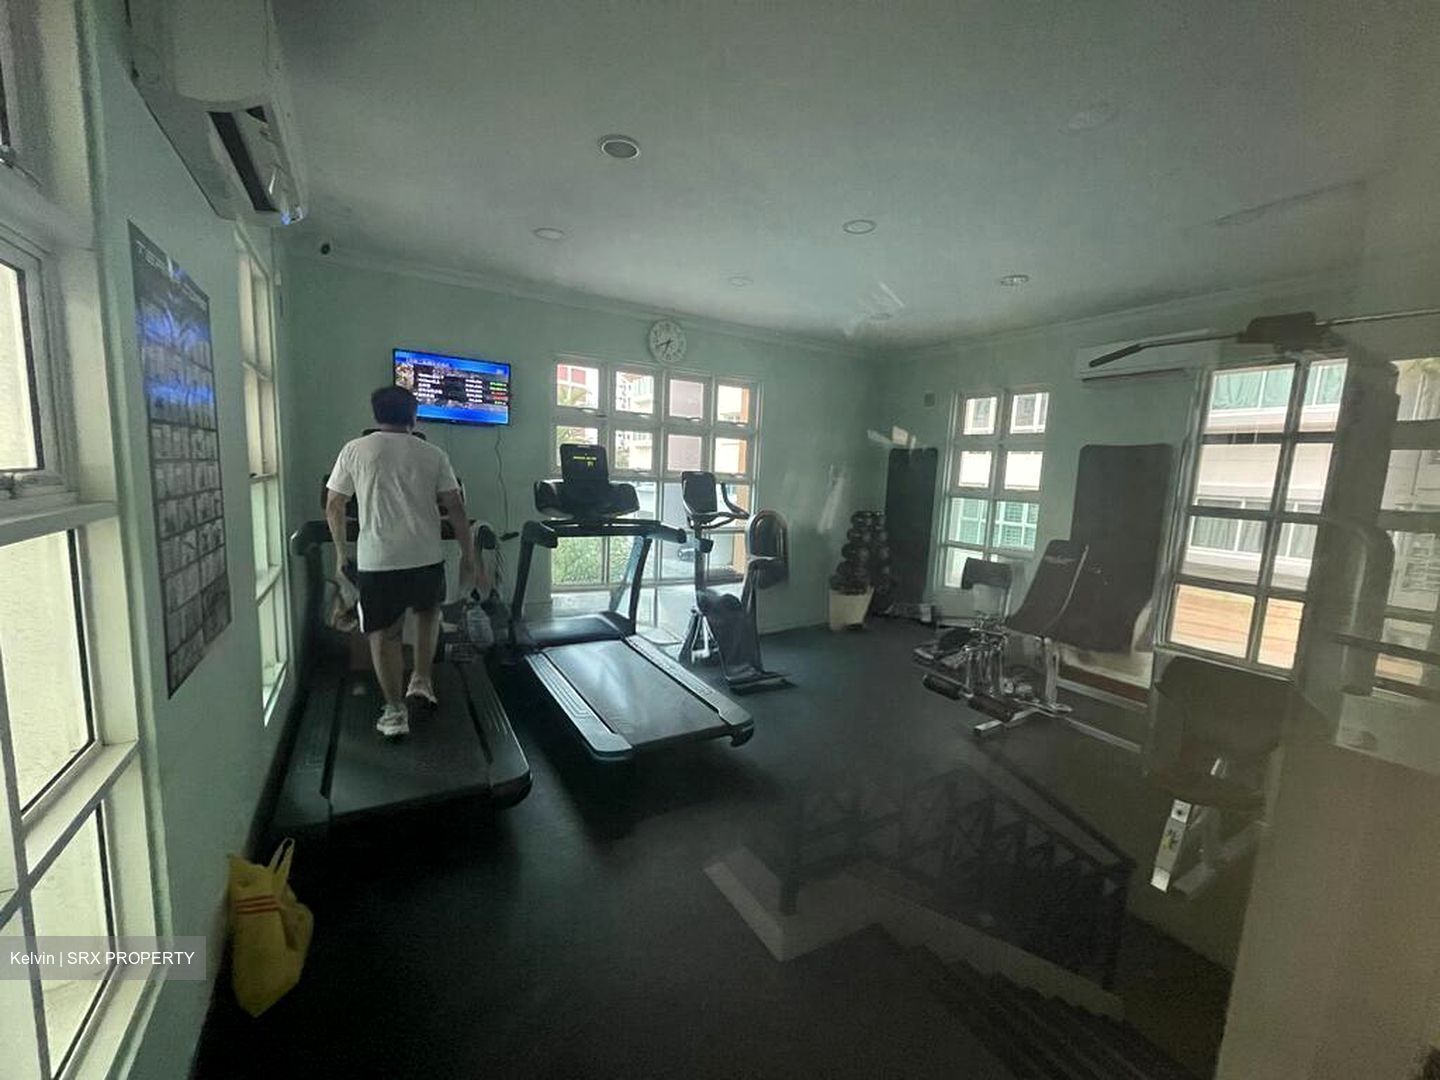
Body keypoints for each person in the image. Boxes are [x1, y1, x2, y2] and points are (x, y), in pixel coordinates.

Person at [324, 386, 478, 737]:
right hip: (426, 556)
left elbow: (334, 504)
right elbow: (456, 506)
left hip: (378, 560)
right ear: (414, 416)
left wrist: (341, 555)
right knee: (427, 616)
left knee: (384, 634)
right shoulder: (433, 454)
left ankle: (395, 712)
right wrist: (468, 554)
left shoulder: (355, 450)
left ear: (376, 414)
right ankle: (421, 681)